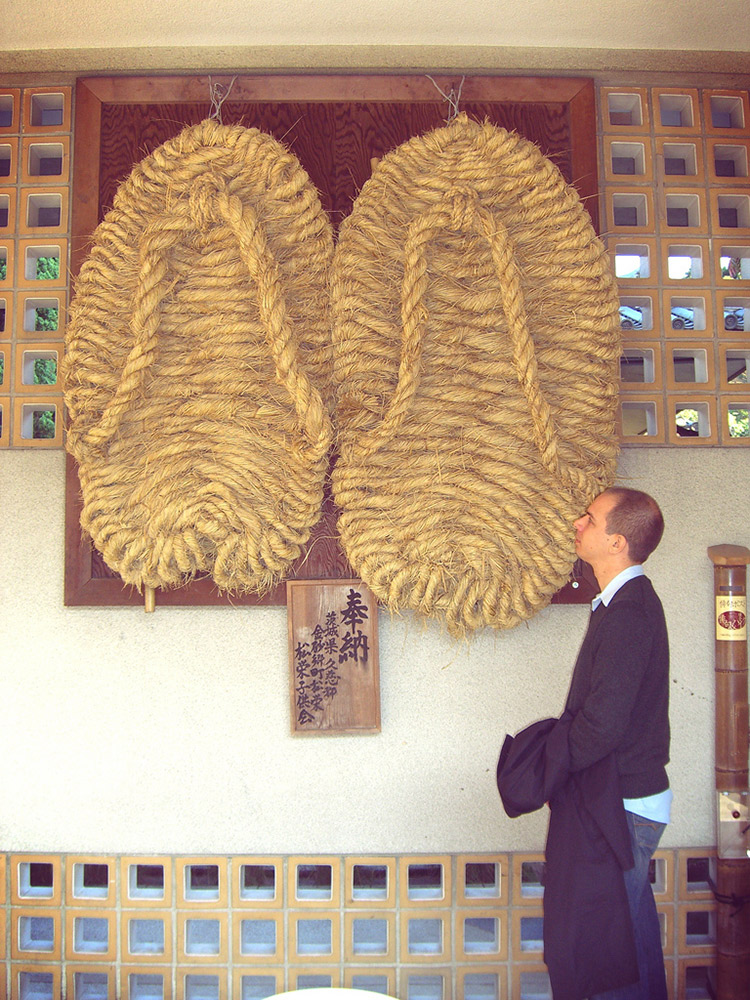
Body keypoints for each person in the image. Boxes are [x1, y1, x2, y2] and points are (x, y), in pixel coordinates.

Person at [565, 486, 671, 1000]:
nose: (578, 524)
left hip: (622, 803)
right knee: (632, 939)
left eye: (590, 518)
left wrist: (553, 766)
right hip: (624, 799)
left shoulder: (629, 612)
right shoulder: (620, 603)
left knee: (610, 953)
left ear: (618, 542)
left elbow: (602, 724)